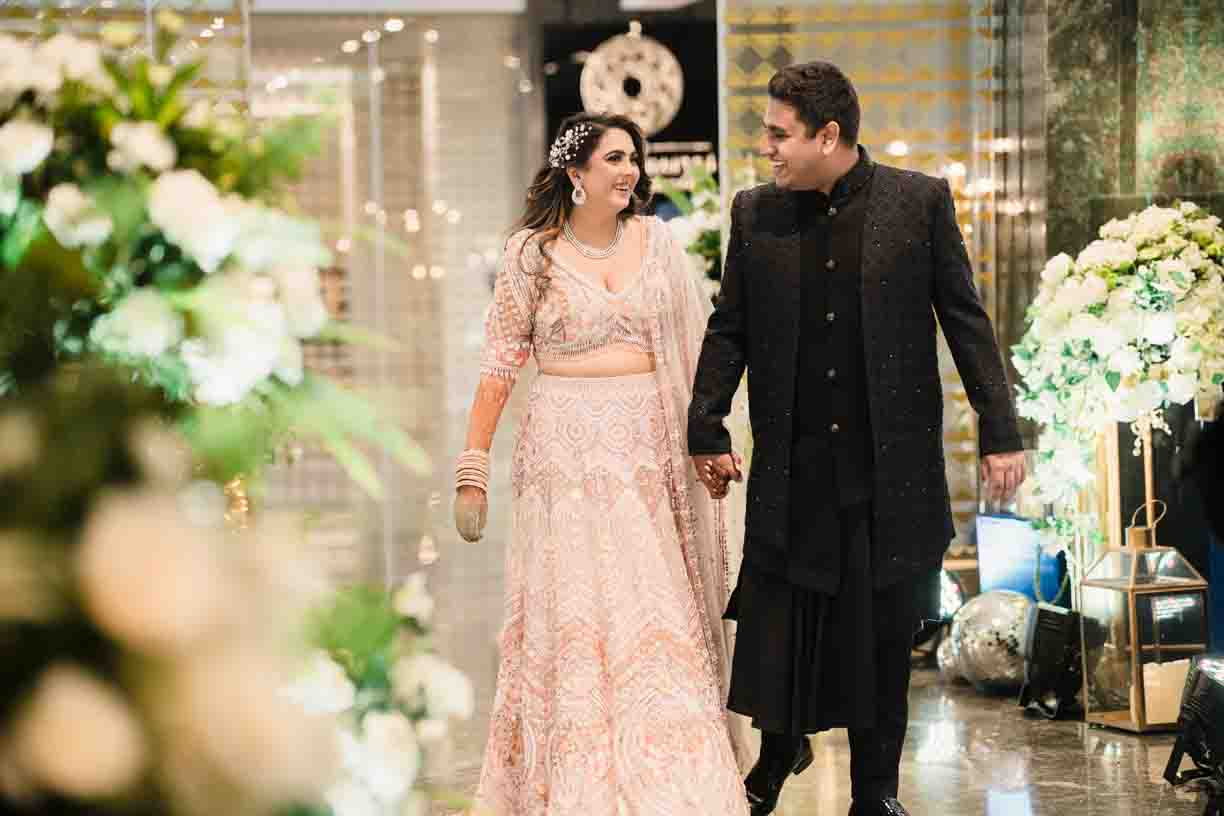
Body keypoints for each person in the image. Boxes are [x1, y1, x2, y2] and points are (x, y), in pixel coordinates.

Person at [687, 62, 1026, 816]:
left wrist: (1001, 431)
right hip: (794, 467)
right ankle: (777, 753)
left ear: (828, 135)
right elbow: (730, 327)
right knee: (781, 624)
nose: (767, 148)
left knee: (881, 638)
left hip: (889, 470)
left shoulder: (918, 202)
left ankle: (876, 795)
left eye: (779, 134)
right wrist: (705, 423)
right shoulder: (755, 214)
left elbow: (965, 321)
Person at [453, 112, 748, 815]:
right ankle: (575, 780)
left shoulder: (657, 242)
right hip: (563, 456)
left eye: (633, 159)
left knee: (655, 600)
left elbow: (696, 348)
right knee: (577, 608)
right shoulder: (531, 254)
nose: (630, 171)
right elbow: (500, 364)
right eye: (614, 158)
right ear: (574, 172)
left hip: (647, 446)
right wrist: (473, 467)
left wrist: (706, 438)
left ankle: (675, 780)